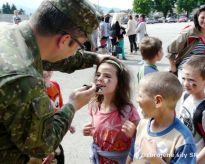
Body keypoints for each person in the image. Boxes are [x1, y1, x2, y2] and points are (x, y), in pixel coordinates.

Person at [0, 0, 113, 163]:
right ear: (65, 39)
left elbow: (51, 57)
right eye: (81, 45)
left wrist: (94, 58)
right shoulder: (24, 79)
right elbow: (42, 145)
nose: (78, 50)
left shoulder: (10, 34)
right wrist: (72, 106)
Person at [83, 58, 140, 163]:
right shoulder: (94, 106)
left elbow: (142, 135)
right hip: (98, 159)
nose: (100, 79)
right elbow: (102, 131)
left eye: (107, 76)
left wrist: (134, 132)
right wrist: (89, 131)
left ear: (119, 83)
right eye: (98, 74)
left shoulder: (128, 110)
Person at [130, 72, 196, 163]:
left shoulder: (183, 139)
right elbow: (132, 154)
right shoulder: (143, 124)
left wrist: (154, 158)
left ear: (157, 101)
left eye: (140, 95)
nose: (137, 100)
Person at [167, 5, 205, 83]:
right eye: (203, 18)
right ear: (197, 17)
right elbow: (171, 49)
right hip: (188, 70)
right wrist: (173, 69)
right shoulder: (189, 32)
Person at [178, 56, 205, 163]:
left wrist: (195, 160)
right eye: (184, 78)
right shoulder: (185, 96)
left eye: (191, 80)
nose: (185, 84)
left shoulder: (203, 110)